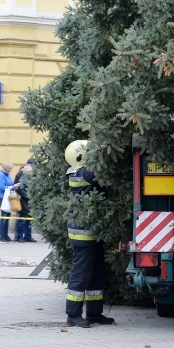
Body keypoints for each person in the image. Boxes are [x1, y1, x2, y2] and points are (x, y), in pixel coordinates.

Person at [64, 140, 113, 328]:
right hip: (83, 235)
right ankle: (73, 314)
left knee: (97, 274)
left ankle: (94, 313)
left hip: (93, 234)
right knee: (81, 274)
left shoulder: (78, 171)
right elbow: (94, 171)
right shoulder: (81, 173)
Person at [14, 165, 36, 243]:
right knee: (22, 220)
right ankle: (20, 237)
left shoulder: (27, 178)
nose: (32, 173)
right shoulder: (23, 179)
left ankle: (28, 236)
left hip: (28, 203)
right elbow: (22, 190)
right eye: (31, 172)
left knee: (28, 221)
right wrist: (29, 196)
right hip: (24, 203)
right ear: (27, 172)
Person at [0, 162, 14, 243]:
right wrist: (12, 187)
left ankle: (6, 235)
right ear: (6, 168)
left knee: (7, 217)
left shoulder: (8, 175)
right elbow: (1, 187)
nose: (11, 170)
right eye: (10, 168)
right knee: (3, 217)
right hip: (3, 198)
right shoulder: (1, 175)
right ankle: (2, 236)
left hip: (8, 197)